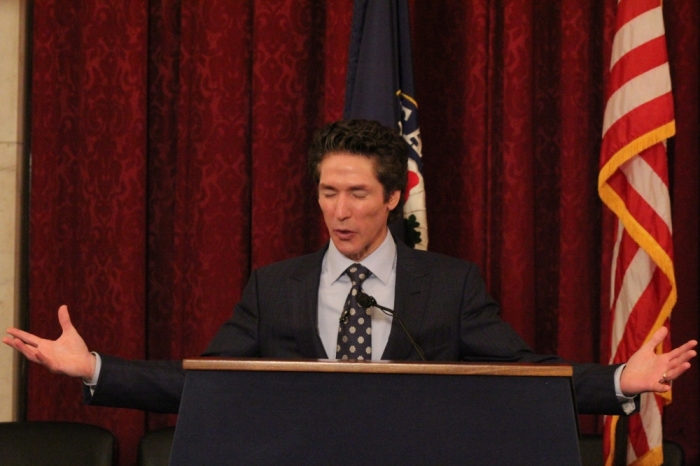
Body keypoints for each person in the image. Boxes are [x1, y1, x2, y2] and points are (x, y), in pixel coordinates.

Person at [3, 119, 697, 415]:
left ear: (394, 197)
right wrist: (95, 368)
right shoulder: (277, 286)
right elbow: (209, 383)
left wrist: (616, 381)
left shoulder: (449, 285)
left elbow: (514, 375)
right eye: (328, 192)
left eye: (359, 194)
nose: (340, 210)